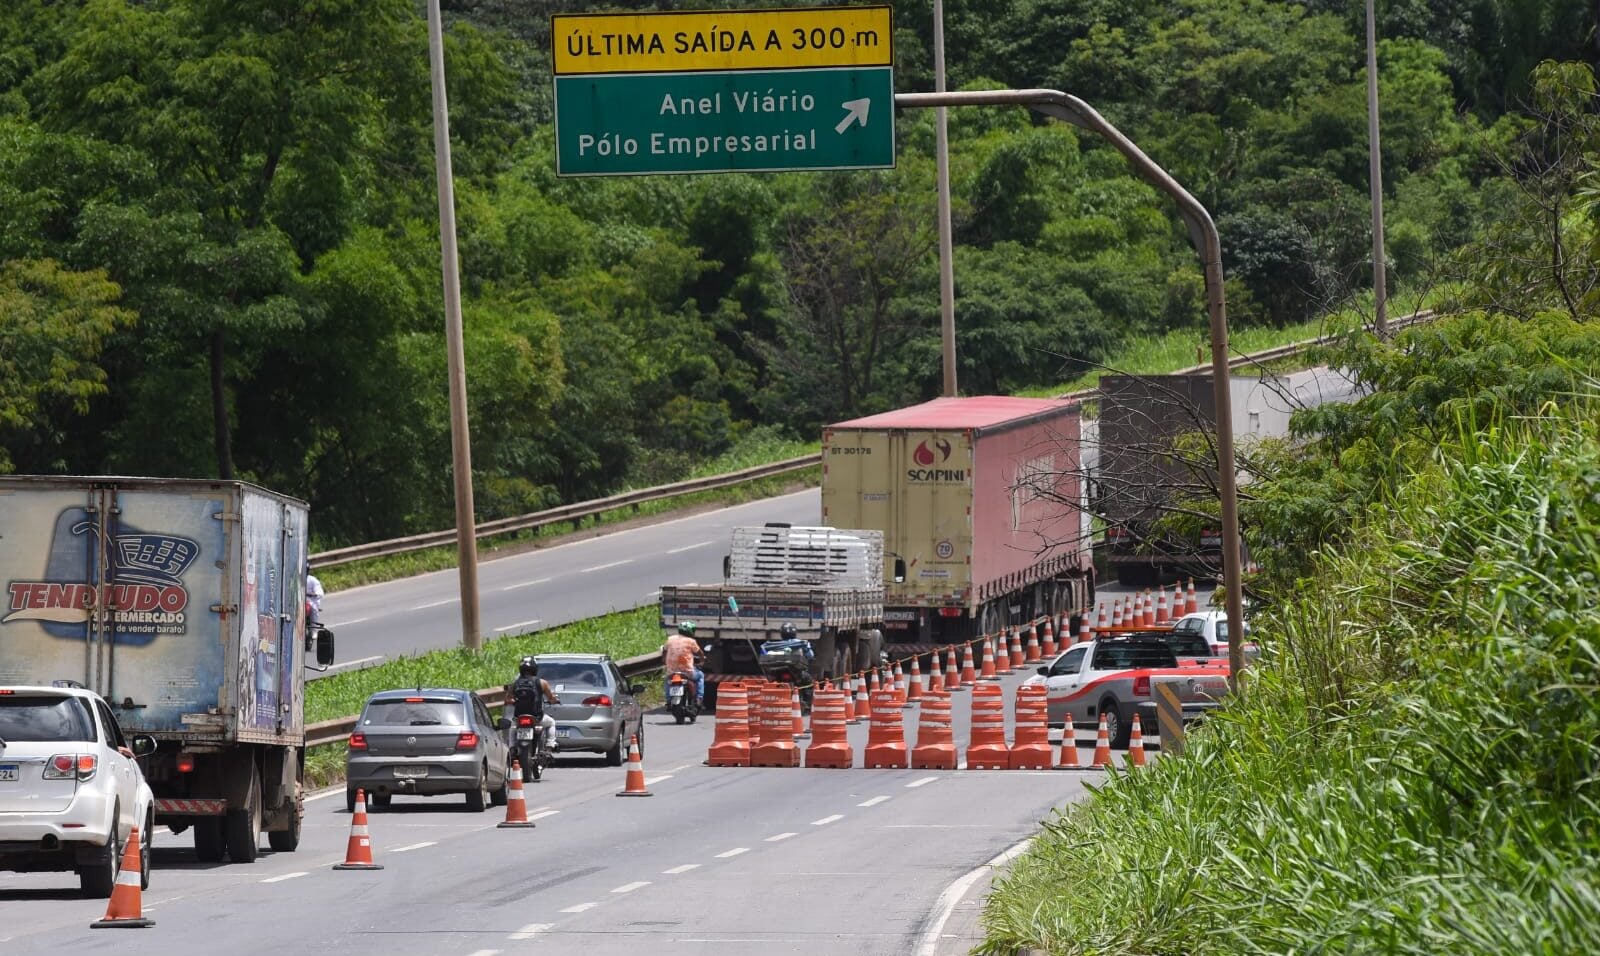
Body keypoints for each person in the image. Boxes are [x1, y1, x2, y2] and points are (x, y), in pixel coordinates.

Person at [508, 656, 559, 752]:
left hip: (519, 717)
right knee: (551, 722)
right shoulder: (542, 683)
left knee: (513, 728)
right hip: (537, 717)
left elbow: (507, 699)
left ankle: (512, 748)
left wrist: (514, 701)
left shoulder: (515, 683)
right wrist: (555, 700)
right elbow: (551, 698)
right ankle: (550, 745)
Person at [661, 621, 705, 705]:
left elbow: (664, 651)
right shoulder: (691, 641)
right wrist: (702, 661)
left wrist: (664, 660)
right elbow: (700, 653)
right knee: (700, 676)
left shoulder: (670, 639)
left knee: (667, 680)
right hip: (687, 672)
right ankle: (699, 698)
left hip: (672, 671)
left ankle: (668, 700)